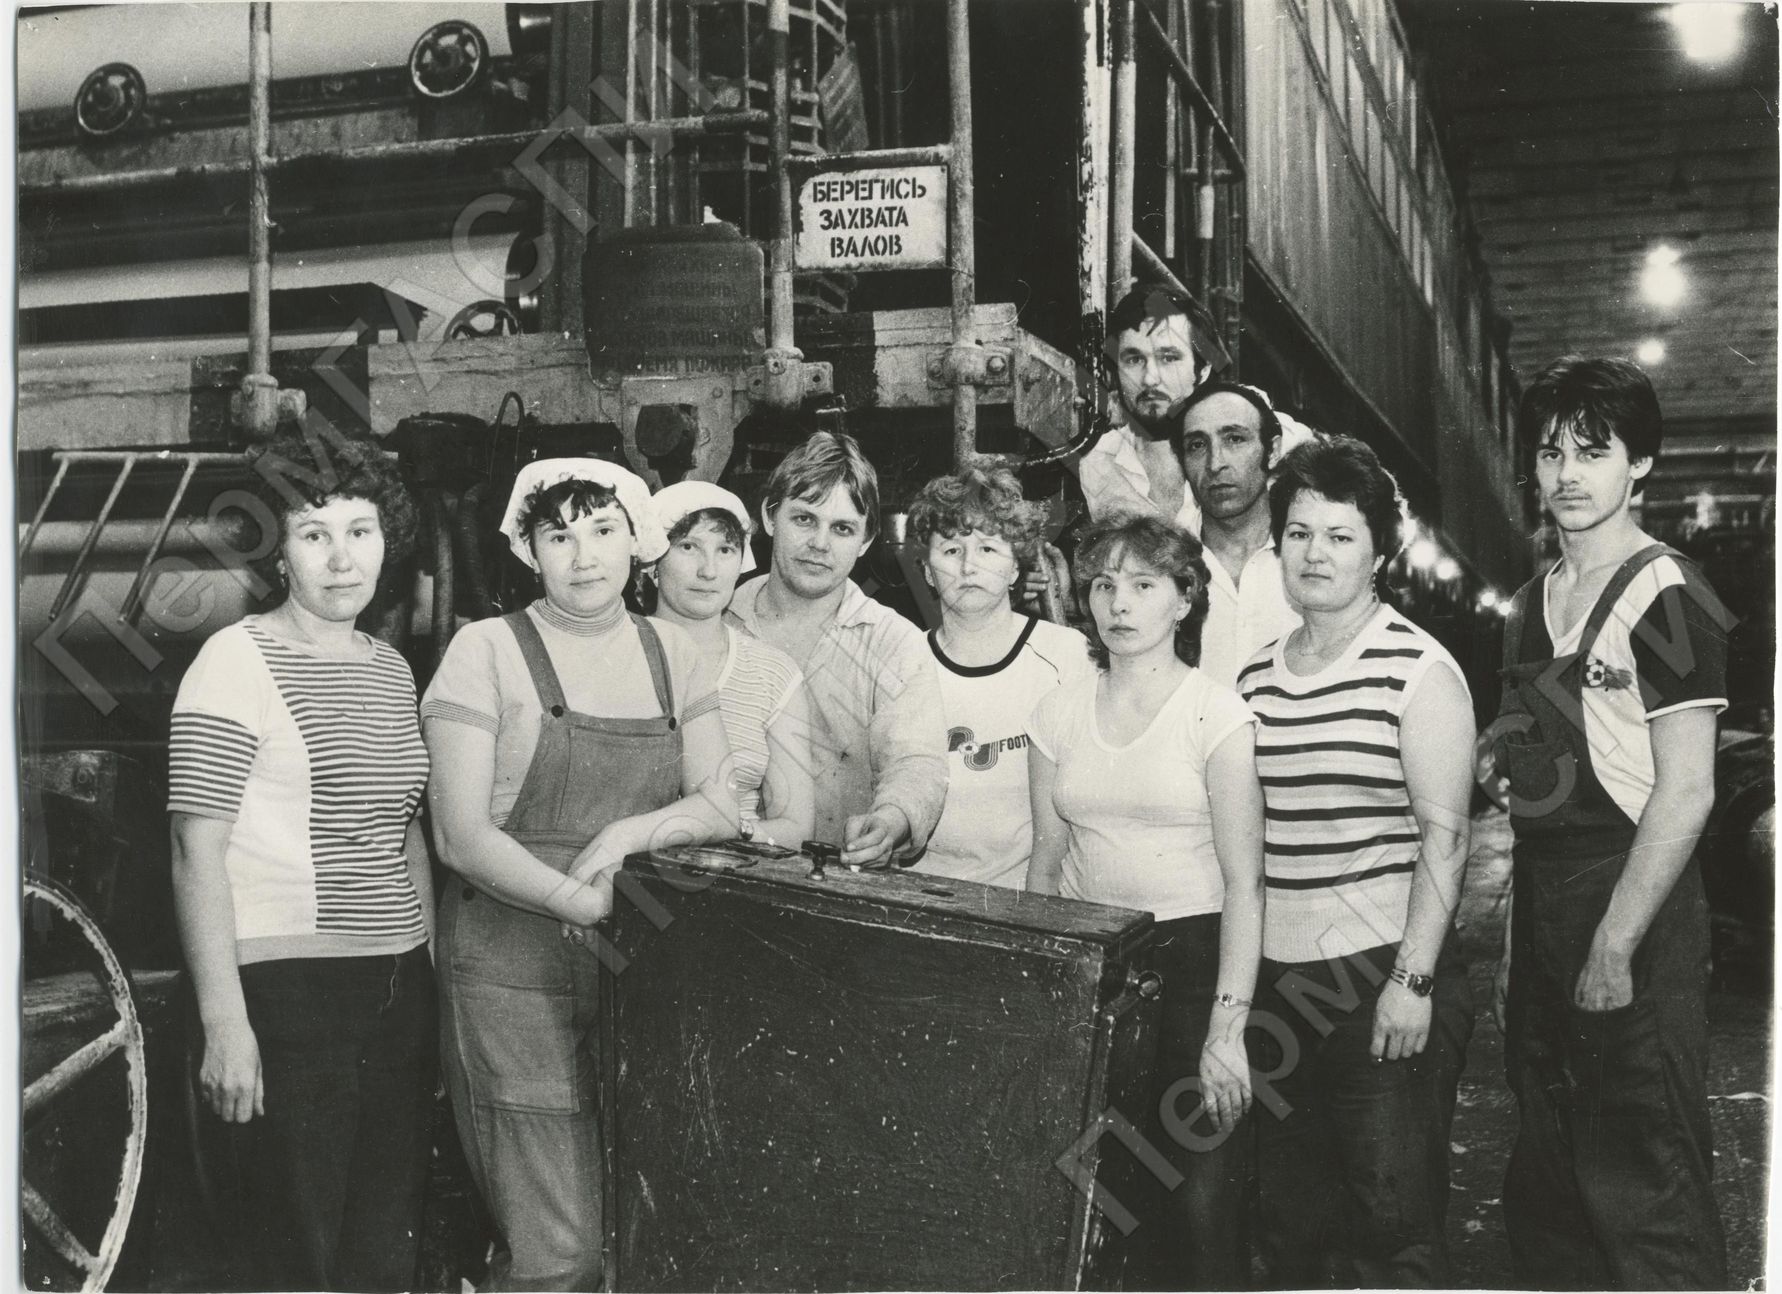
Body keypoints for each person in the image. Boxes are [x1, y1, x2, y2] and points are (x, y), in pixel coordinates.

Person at [422, 458, 738, 1290]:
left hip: (636, 970)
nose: (584, 555)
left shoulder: (674, 653)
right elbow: (459, 836)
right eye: (557, 535)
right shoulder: (484, 650)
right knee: (559, 1249)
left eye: (603, 530)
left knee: (639, 1235)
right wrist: (581, 900)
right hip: (511, 966)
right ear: (527, 551)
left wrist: (626, 834)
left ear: (640, 542)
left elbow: (721, 803)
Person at [167, 430, 434, 1291]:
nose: (341, 558)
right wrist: (225, 1023)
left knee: (381, 1259)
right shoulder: (233, 661)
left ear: (389, 542)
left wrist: (426, 975)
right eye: (314, 534)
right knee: (293, 1265)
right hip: (286, 998)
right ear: (278, 553)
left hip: (394, 991)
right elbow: (194, 849)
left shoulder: (391, 669)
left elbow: (407, 834)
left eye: (360, 531)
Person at [1493, 357, 1729, 1289]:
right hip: (1545, 902)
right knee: (1551, 1173)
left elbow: (1688, 791)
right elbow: (1534, 792)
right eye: (1551, 452)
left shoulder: (1667, 592)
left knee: (1644, 1172)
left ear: (1641, 465)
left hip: (1637, 904)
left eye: (1593, 452)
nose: (1567, 474)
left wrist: (1614, 944)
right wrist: (1518, 945)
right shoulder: (1527, 605)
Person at [1236, 434, 1476, 1287]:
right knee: (1290, 1227)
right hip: (1280, 985)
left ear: (1379, 551)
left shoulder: (1418, 669)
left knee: (1392, 1230)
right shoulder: (1254, 680)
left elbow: (1448, 838)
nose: (1315, 553)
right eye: (1299, 533)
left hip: (1377, 978)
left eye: (1340, 535)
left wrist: (1412, 981)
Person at [1026, 513, 1264, 1289]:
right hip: (1096, 967)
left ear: (1184, 599)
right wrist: (1043, 993)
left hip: (1193, 970)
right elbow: (1046, 862)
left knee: (1199, 1207)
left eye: (1143, 584)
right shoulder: (1058, 710)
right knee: (1102, 1202)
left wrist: (1226, 1031)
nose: (1118, 603)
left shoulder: (1215, 714)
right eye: (1102, 585)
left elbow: (1246, 882)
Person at [728, 430, 947, 867]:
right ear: (769, 517)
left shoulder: (892, 642)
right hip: (716, 871)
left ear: (865, 541)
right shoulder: (720, 622)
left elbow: (917, 763)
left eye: (842, 528)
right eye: (804, 519)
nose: (820, 543)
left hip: (840, 880)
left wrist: (890, 822)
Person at [903, 466, 1094, 887]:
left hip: (1031, 894)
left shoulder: (1067, 656)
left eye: (988, 548)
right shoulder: (901, 664)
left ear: (1014, 569)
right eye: (951, 550)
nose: (968, 566)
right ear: (928, 571)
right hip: (921, 894)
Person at [647, 479, 815, 846]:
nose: (708, 571)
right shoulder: (617, 653)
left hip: (731, 867)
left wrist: (721, 832)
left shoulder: (773, 674)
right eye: (688, 547)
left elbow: (796, 826)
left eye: (725, 549)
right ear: (651, 562)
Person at [1173, 380, 1303, 689]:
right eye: (1197, 445)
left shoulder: (1309, 555)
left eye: (1234, 439)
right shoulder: (1164, 563)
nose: (1215, 463)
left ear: (1272, 451)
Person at [1078, 283, 1232, 531]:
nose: (1150, 379)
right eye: (1134, 359)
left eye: (1169, 358)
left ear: (1202, 371)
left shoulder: (1257, 441)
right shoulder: (1098, 464)